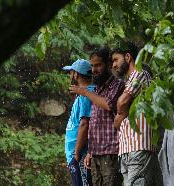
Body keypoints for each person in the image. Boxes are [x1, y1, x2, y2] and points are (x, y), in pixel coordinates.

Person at [69, 47, 124, 186]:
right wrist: (90, 152)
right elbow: (95, 123)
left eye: (98, 65)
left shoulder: (117, 85)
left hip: (111, 151)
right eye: (92, 66)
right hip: (96, 154)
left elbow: (108, 104)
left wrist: (85, 92)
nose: (94, 70)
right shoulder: (98, 88)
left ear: (109, 64)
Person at [111, 42, 163, 186]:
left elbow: (121, 104)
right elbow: (116, 121)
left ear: (128, 57)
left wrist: (123, 108)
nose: (113, 65)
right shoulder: (129, 81)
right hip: (129, 149)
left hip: (138, 147)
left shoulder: (140, 74)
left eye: (116, 60)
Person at [62, 59, 94, 186]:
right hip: (76, 154)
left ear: (77, 74)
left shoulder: (86, 94)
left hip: (80, 155)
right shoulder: (83, 93)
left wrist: (76, 154)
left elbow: (84, 124)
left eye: (71, 72)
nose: (70, 75)